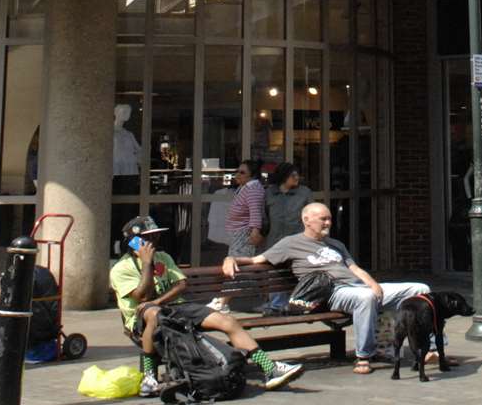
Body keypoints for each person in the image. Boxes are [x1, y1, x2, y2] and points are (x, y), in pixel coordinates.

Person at [225, 201, 435, 376]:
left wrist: (372, 283)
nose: (328, 222)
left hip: (358, 287)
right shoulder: (290, 243)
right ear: (306, 220)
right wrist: (231, 258)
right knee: (366, 297)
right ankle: (364, 356)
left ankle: (430, 348)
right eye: (323, 219)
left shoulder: (335, 244)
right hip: (332, 293)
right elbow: (257, 259)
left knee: (420, 288)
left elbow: (354, 268)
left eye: (329, 219)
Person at [110, 215, 303, 394]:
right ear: (133, 241)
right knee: (153, 313)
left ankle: (269, 368)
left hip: (175, 308)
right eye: (148, 237)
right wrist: (146, 264)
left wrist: (159, 300)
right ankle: (149, 376)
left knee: (226, 321)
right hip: (141, 317)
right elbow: (142, 297)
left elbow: (181, 284)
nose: (154, 241)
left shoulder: (164, 258)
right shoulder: (121, 269)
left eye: (156, 236)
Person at [261, 163, 312, 313]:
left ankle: (300, 303)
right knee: (275, 272)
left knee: (300, 271)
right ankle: (276, 304)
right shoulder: (270, 192)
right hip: (275, 239)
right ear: (283, 177)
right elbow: (264, 215)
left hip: (298, 238)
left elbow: (312, 213)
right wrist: (261, 232)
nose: (297, 178)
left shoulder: (304, 192)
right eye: (293, 175)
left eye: (297, 175)